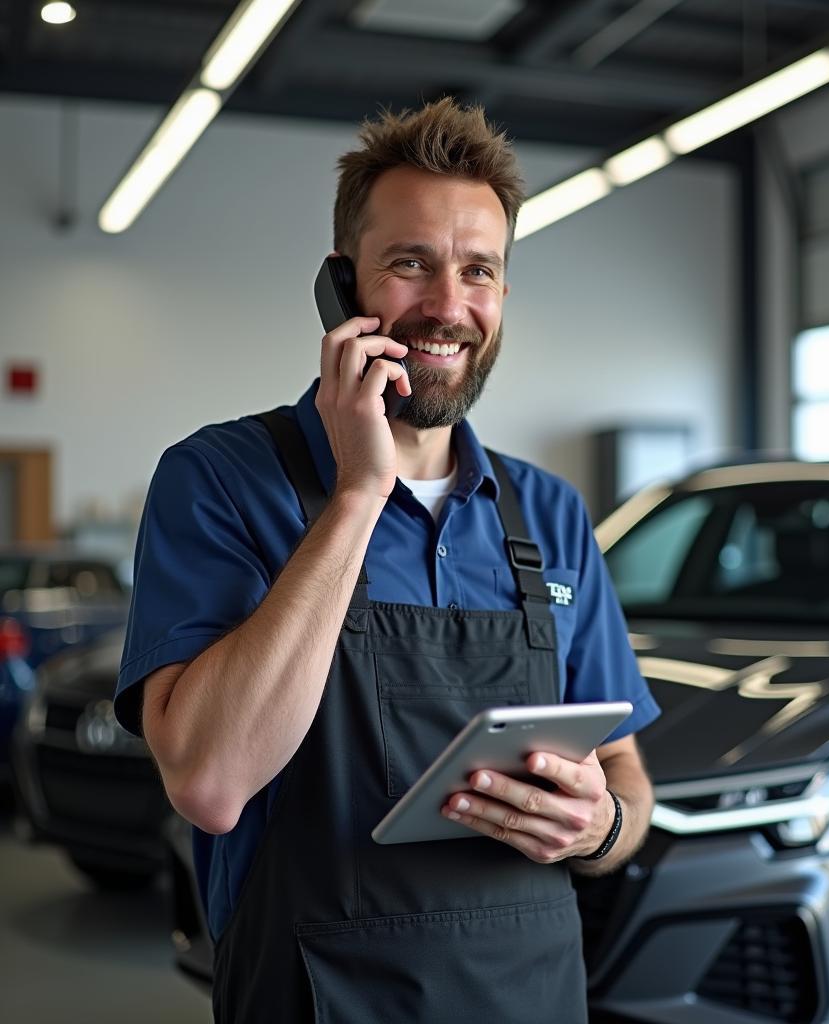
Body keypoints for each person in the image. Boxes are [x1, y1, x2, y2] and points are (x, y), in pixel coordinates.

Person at [114, 98, 660, 1023]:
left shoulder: (550, 514)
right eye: (411, 264)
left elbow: (628, 781)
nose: (449, 306)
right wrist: (358, 493)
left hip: (531, 994)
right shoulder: (219, 482)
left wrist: (601, 826)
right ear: (341, 287)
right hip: (319, 999)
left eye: (478, 271)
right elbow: (208, 783)